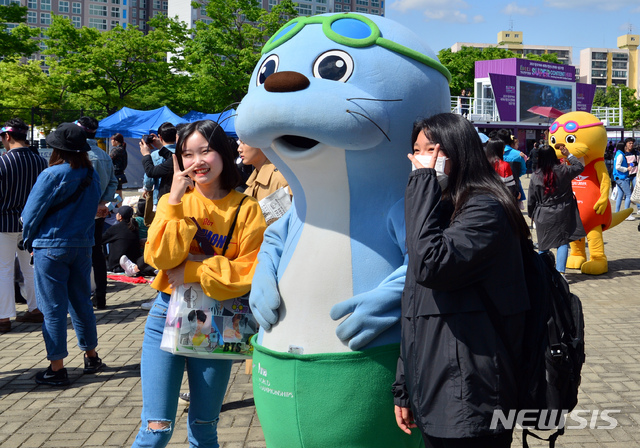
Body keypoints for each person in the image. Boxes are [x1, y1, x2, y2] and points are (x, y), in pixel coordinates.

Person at [394, 113, 530, 448]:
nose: (422, 160)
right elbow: (416, 309)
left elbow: (432, 266)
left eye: (432, 150)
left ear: (459, 153)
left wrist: (421, 183)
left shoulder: (485, 208)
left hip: (472, 393)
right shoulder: (439, 208)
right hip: (434, 387)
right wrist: (404, 386)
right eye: (417, 151)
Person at [130, 119, 266, 448]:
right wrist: (174, 200)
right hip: (166, 313)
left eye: (205, 151)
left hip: (218, 318)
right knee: (157, 428)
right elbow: (159, 258)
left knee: (205, 426)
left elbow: (250, 271)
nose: (197, 161)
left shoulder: (247, 209)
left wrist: (193, 270)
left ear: (222, 152)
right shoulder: (173, 202)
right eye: (187, 154)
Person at [21, 122, 104, 386]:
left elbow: (30, 214)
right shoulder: (92, 175)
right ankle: (91, 356)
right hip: (82, 246)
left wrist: (28, 240)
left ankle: (57, 368)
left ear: (56, 148)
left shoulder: (52, 174)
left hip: (51, 245)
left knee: (53, 308)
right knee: (82, 302)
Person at [0, 118, 48, 332]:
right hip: (32, 223)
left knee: (4, 270)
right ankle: (35, 308)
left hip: (4, 222)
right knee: (30, 268)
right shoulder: (39, 161)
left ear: (7, 136)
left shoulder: (3, 162)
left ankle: (3, 317)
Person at [77, 116, 118, 310]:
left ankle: (83, 296)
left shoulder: (79, 154)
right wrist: (103, 201)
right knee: (97, 254)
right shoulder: (104, 154)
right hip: (99, 211)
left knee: (80, 254)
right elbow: (113, 182)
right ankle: (100, 297)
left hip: (81, 211)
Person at [528, 145, 586, 276]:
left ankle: (543, 273)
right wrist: (568, 154)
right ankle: (561, 273)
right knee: (562, 241)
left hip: (543, 212)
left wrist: (531, 214)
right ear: (554, 156)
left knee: (543, 244)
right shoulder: (564, 170)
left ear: (539, 158)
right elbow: (580, 167)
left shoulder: (535, 176)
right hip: (563, 211)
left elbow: (531, 199)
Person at [101, 205, 155, 277]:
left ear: (120, 216)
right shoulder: (134, 227)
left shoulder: (115, 228)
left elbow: (100, 240)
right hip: (133, 261)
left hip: (117, 265)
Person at [140, 122, 178, 205]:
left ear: (160, 137)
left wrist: (147, 188)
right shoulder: (182, 153)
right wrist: (161, 147)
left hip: (161, 194)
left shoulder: (154, 155)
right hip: (179, 194)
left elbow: (149, 174)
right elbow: (171, 156)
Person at [497, 129, 527, 210]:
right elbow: (523, 170)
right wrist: (515, 175)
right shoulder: (518, 154)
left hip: (497, 188)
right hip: (514, 189)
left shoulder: (493, 154)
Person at [613, 141, 636, 219]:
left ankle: (617, 212)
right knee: (629, 195)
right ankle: (627, 215)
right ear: (623, 147)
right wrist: (627, 169)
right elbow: (617, 167)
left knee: (620, 195)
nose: (627, 147)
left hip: (618, 178)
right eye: (626, 146)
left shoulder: (618, 154)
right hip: (622, 177)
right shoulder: (620, 155)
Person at [110, 133, 128, 202]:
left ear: (116, 141)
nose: (111, 141)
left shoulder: (116, 150)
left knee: (115, 193)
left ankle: (119, 208)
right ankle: (120, 208)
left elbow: (108, 160)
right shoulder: (123, 150)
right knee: (119, 193)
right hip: (120, 174)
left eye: (112, 140)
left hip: (115, 174)